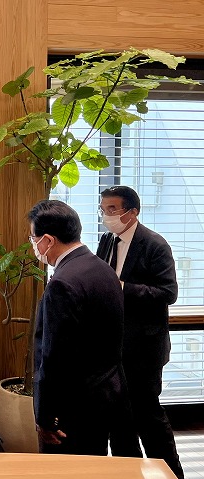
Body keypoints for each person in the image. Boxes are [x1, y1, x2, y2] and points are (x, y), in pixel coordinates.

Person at [29, 199, 133, 456]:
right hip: (107, 395)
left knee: (66, 470)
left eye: (33, 239)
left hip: (72, 408)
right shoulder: (102, 269)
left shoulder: (62, 283)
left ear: (48, 240)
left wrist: (46, 417)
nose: (33, 245)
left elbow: (53, 356)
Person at [96, 186, 183, 478]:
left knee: (148, 417)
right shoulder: (107, 240)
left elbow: (168, 293)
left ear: (132, 212)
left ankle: (172, 473)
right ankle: (129, 472)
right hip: (113, 346)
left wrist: (122, 288)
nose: (106, 215)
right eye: (103, 209)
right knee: (119, 421)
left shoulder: (154, 244)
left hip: (144, 349)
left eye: (112, 209)